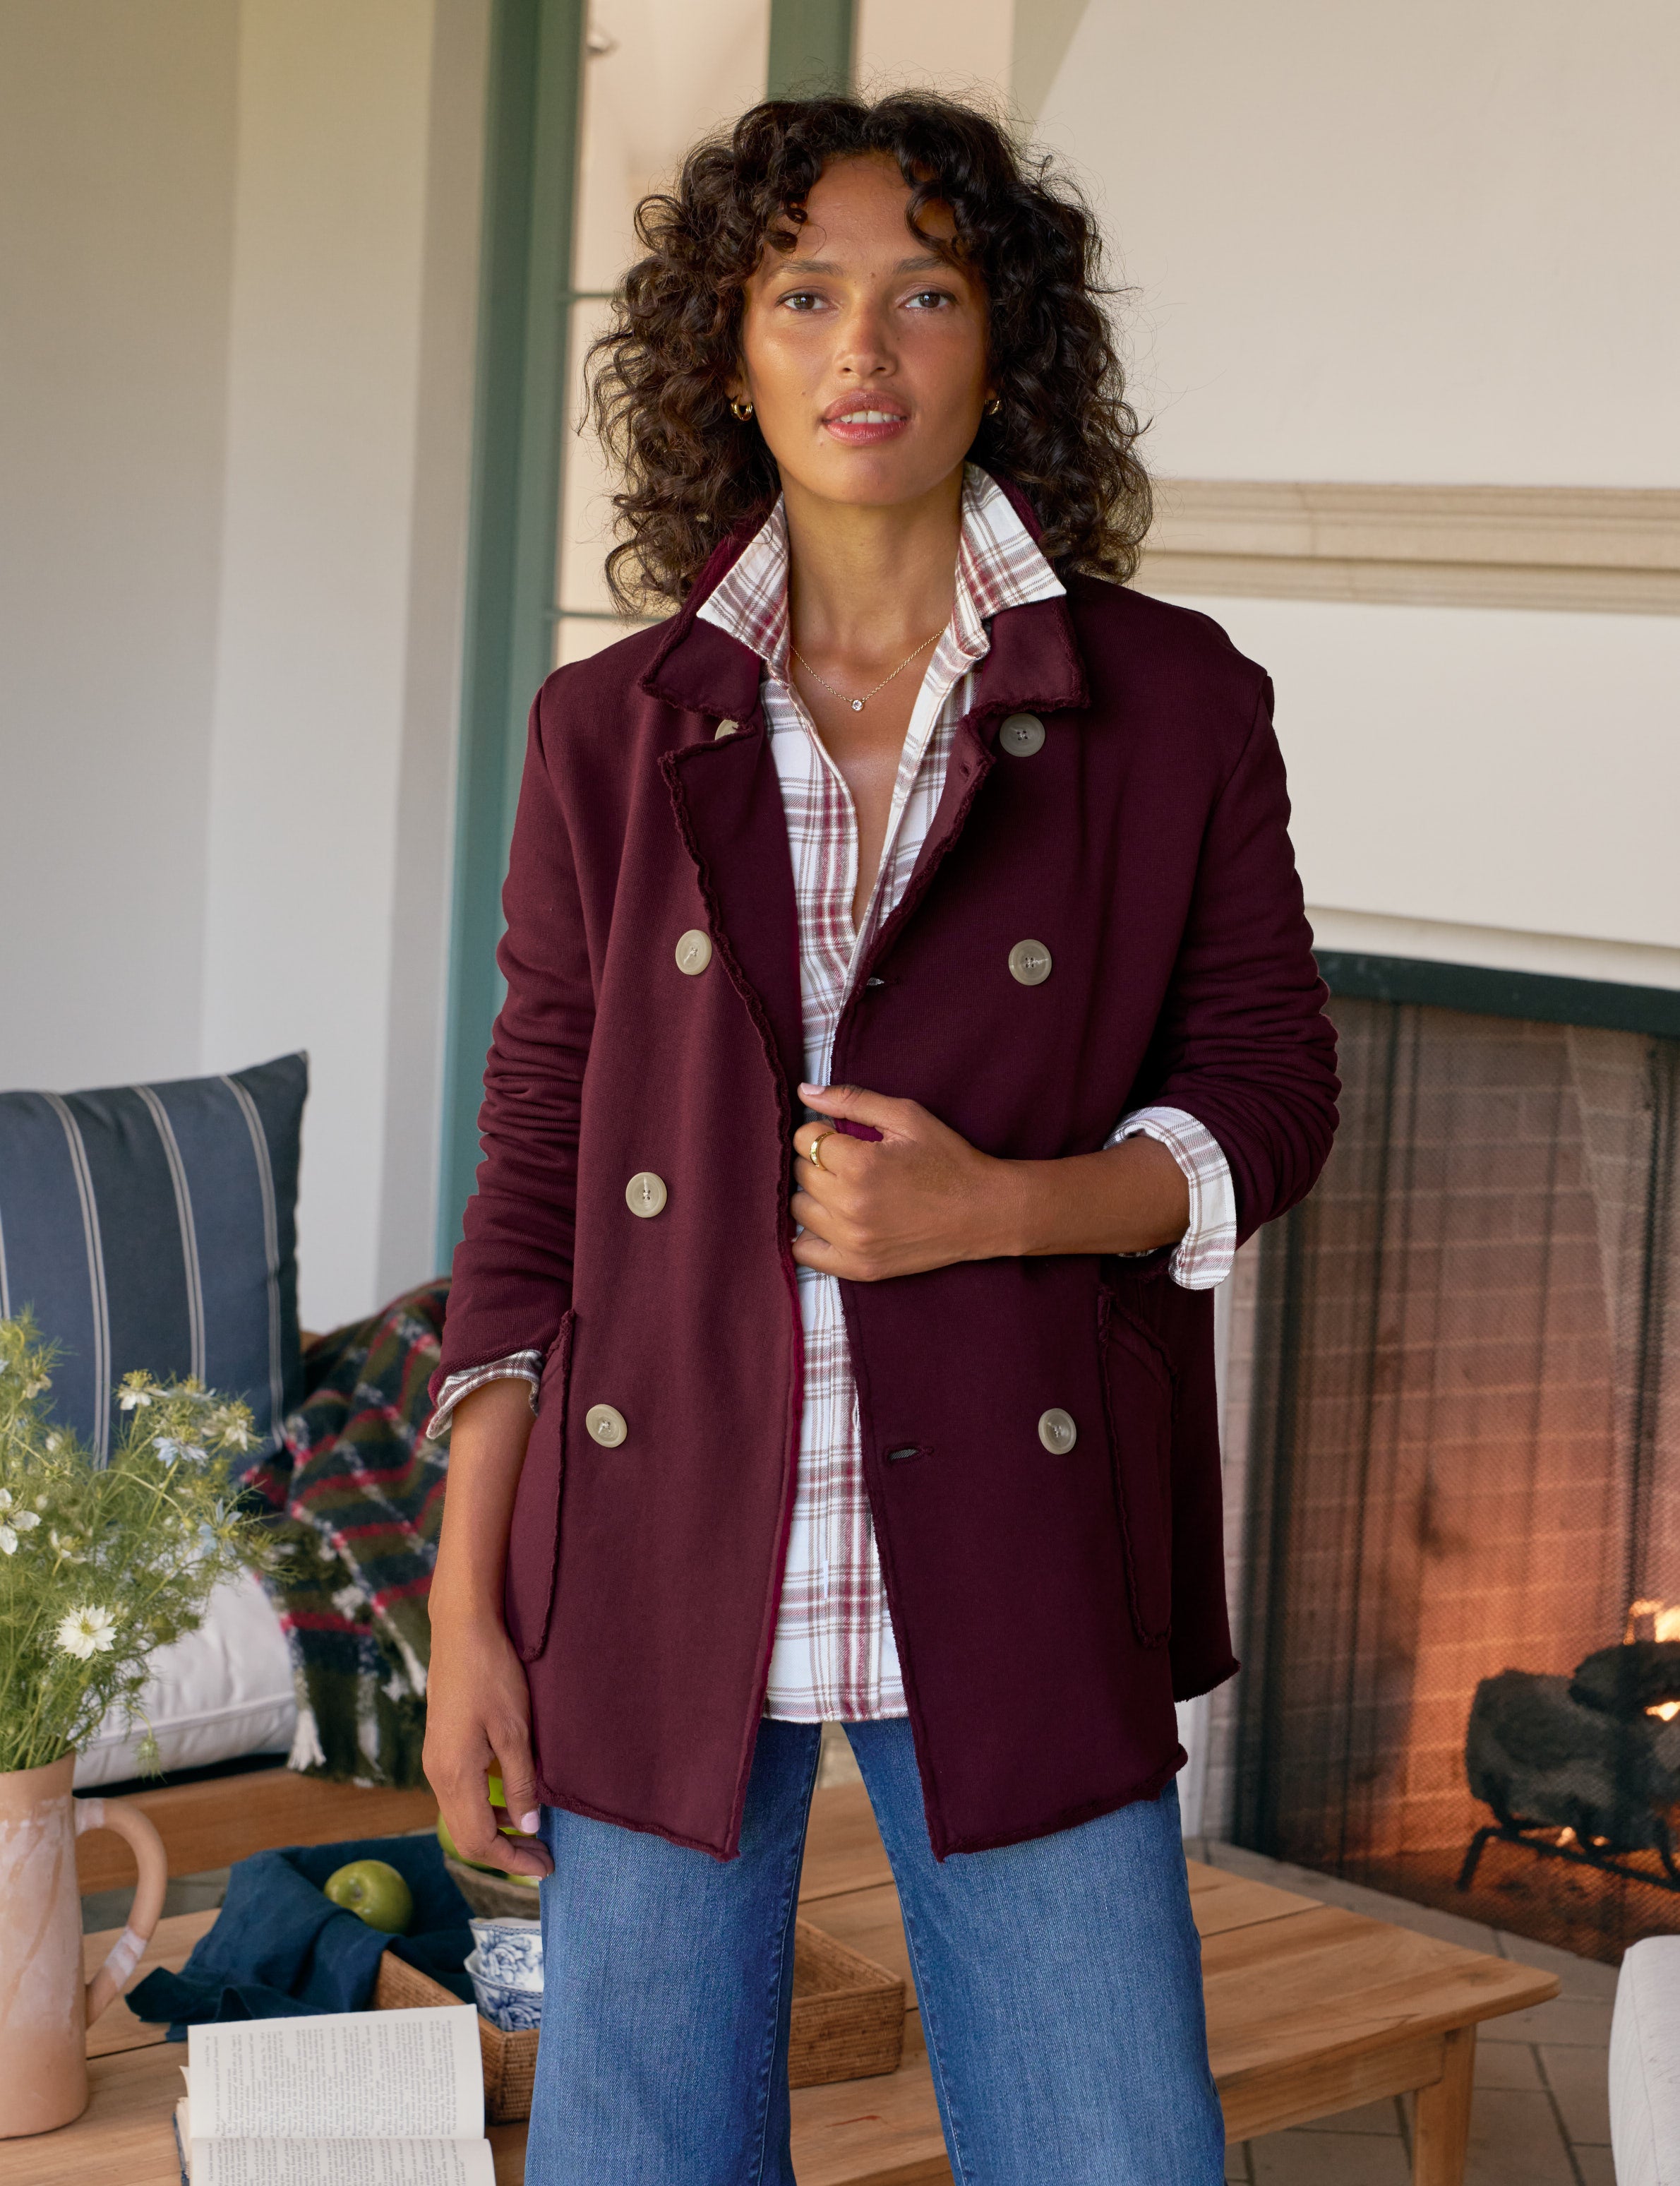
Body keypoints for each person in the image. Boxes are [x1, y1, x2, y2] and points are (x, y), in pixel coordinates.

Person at [423, 91, 1338, 2186]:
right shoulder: (610, 728)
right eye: (804, 293)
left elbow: (1272, 1091)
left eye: (923, 293)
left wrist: (993, 1211)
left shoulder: (1175, 702)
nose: (863, 349)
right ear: (724, 351)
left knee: (1111, 2150)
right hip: (652, 1557)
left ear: (997, 342)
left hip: (1020, 1538)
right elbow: (537, 1166)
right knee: (634, 2162)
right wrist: (472, 1609)